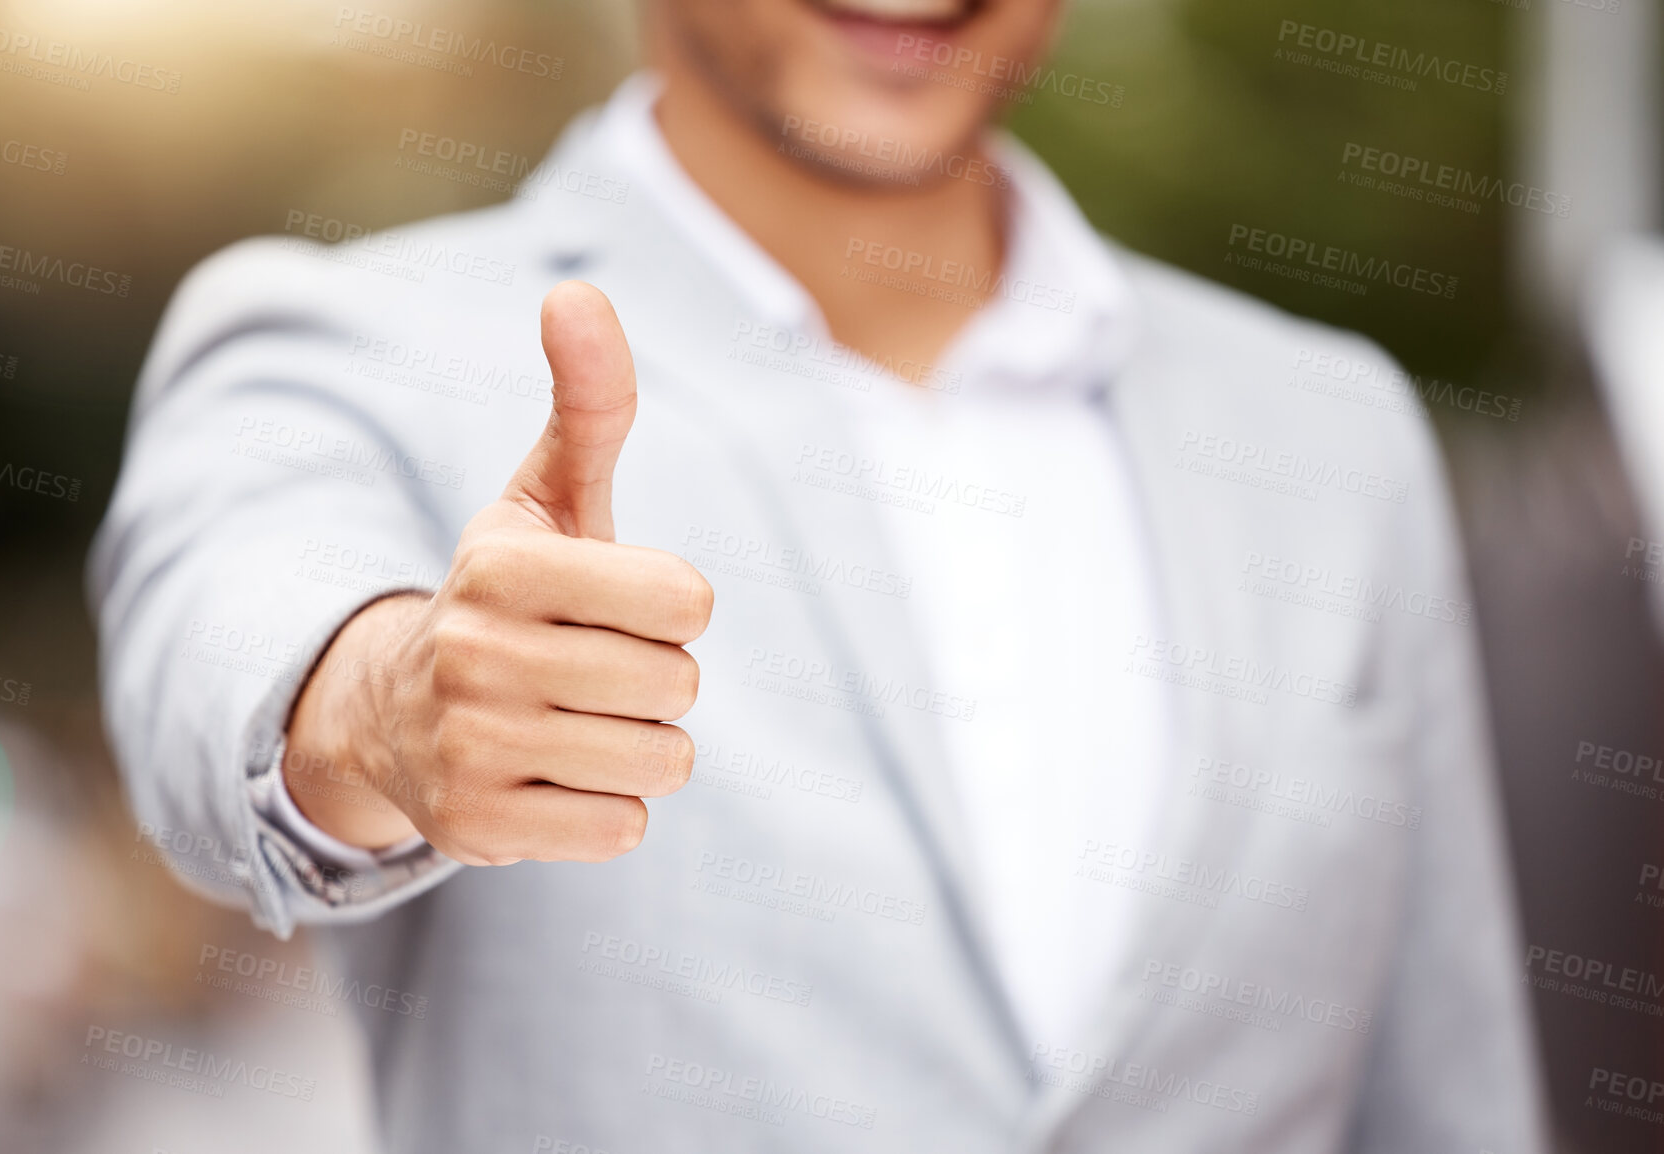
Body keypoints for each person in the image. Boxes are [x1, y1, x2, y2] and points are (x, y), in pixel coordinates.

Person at [89, 0, 1548, 1148]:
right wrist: (387, 705)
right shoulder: (348, 342)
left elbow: (1452, 1101)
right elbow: (220, 637)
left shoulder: (1335, 433)